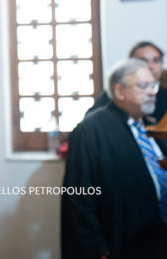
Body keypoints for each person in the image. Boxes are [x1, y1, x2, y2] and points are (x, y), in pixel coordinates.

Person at [62, 58, 167, 259]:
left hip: (156, 239)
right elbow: (78, 195)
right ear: (119, 91)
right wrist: (95, 247)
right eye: (144, 86)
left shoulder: (149, 125)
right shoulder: (90, 130)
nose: (152, 92)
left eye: (153, 85)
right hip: (119, 241)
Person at [86, 41, 167, 124]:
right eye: (143, 61)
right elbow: (90, 122)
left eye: (156, 60)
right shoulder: (117, 92)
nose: (150, 66)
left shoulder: (164, 91)